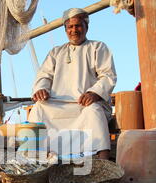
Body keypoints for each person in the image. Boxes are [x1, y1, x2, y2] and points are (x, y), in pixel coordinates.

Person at [29, 8, 117, 160]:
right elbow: (44, 76)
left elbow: (107, 75)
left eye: (78, 26)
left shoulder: (98, 47)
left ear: (86, 27)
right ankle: (33, 160)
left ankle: (103, 161)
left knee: (94, 111)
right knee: (38, 109)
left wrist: (94, 93)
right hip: (59, 105)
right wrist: (41, 89)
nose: (74, 30)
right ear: (65, 29)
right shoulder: (55, 52)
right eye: (70, 27)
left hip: (84, 104)